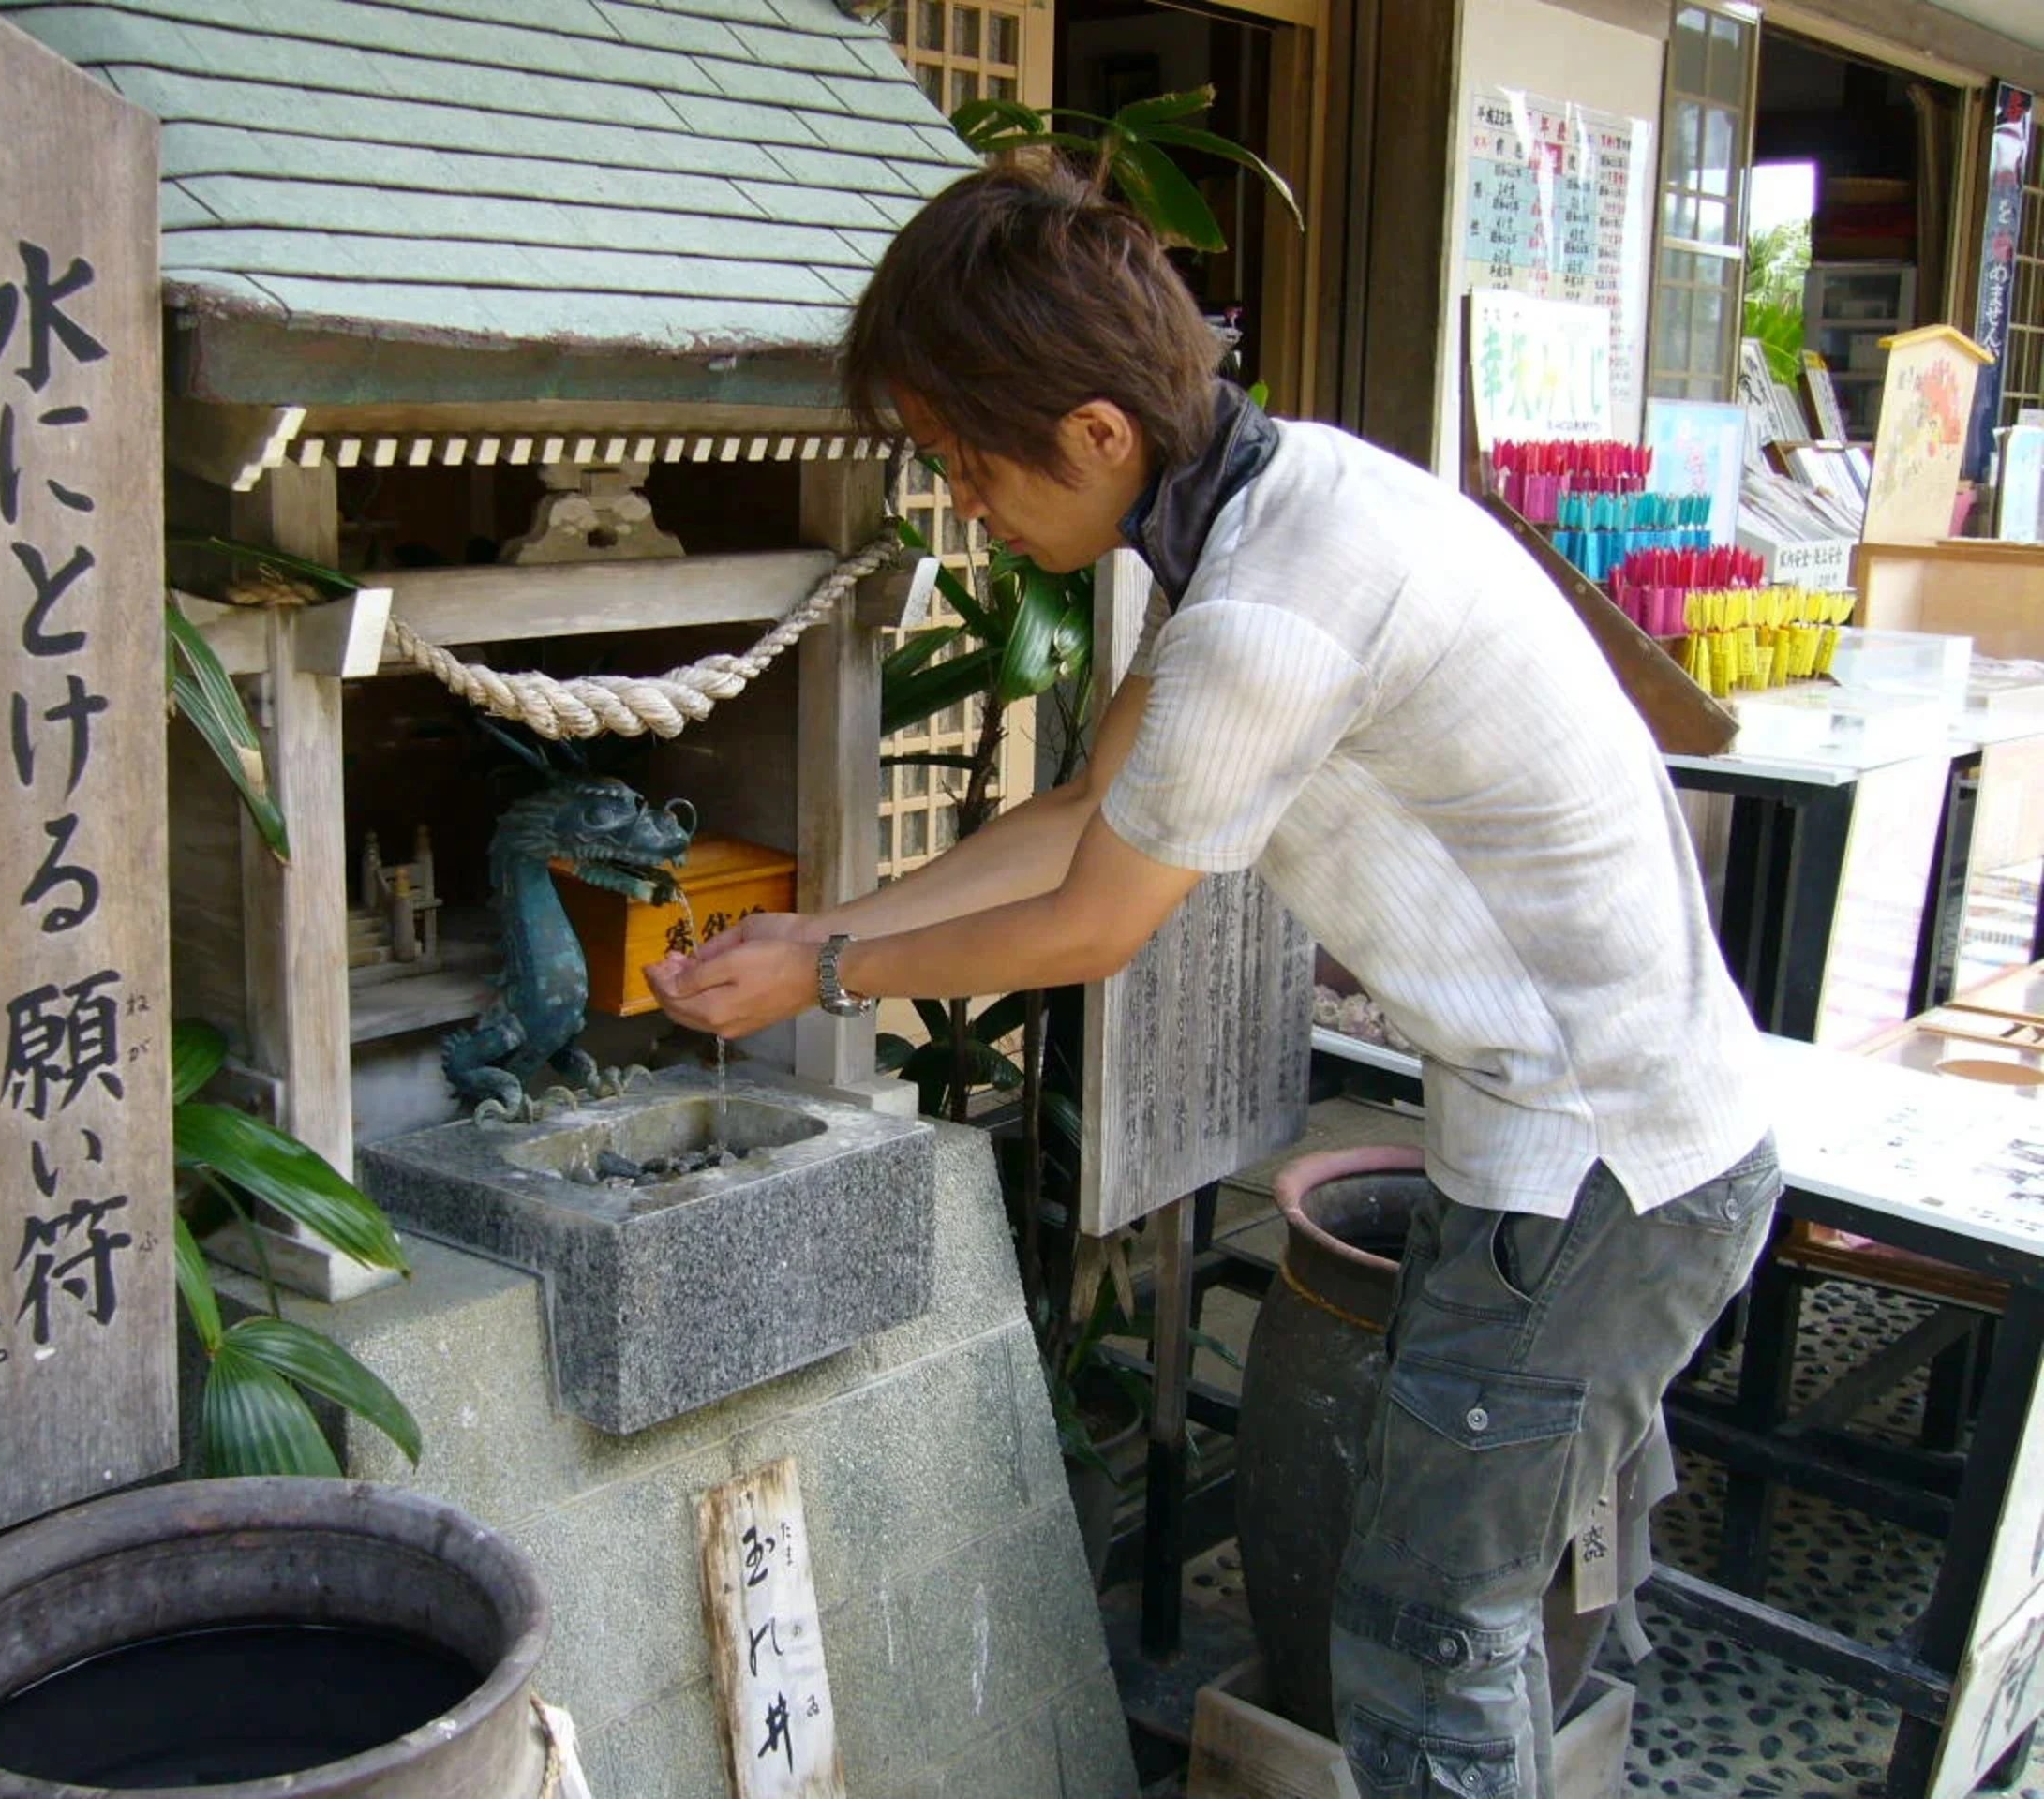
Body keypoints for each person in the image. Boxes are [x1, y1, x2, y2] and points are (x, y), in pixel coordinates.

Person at [643, 157, 1775, 1799]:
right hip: (1613, 1143)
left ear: (1098, 433)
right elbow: (1086, 808)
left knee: (1424, 1640)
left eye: (968, 461)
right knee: (1482, 1612)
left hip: (1603, 1173)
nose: (966, 504)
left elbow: (1094, 921)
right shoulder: (1286, 497)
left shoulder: (1268, 613)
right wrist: (826, 927)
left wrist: (829, 978)